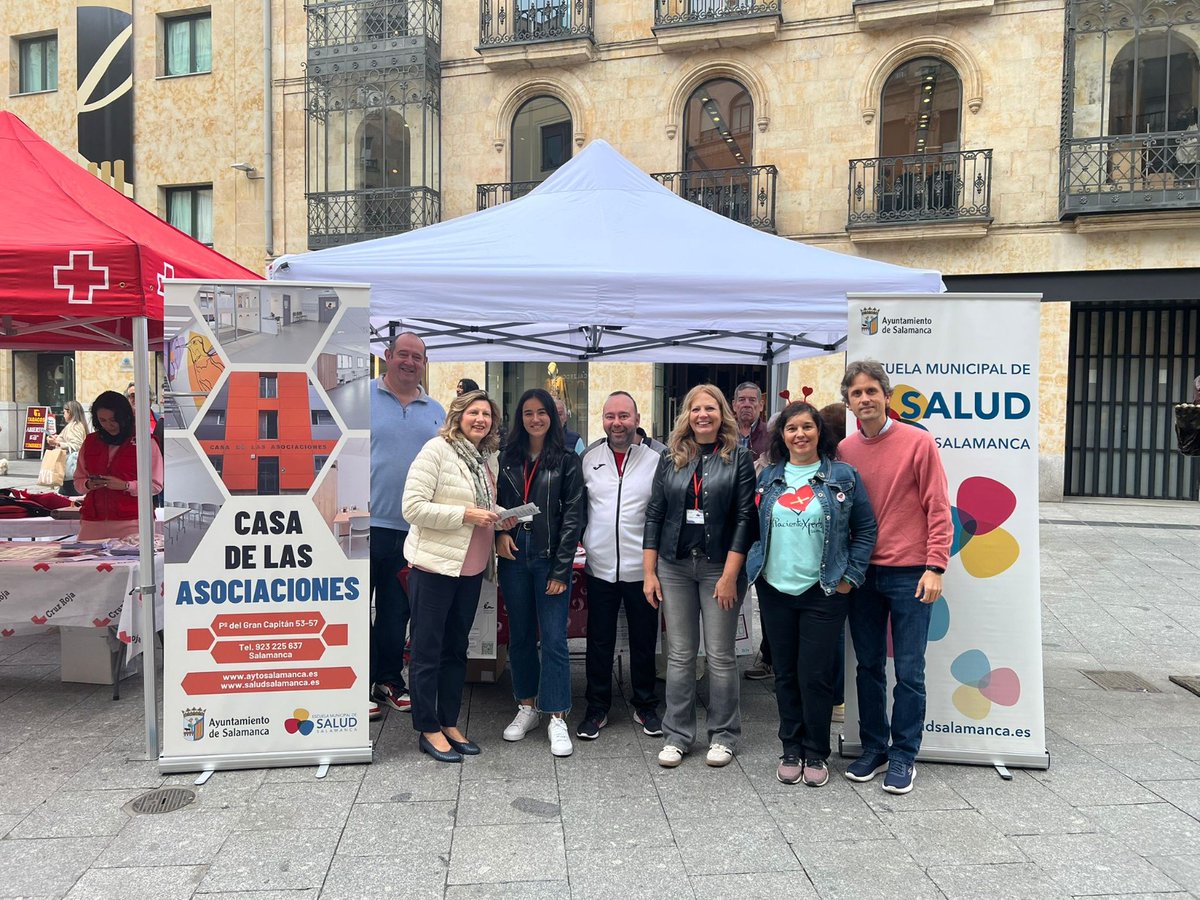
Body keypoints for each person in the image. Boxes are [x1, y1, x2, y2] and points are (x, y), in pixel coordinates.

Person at [746, 402, 876, 787]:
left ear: (819, 432)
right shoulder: (768, 476)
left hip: (824, 590)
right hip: (775, 589)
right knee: (785, 673)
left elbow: (865, 529)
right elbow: (751, 528)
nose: (799, 434)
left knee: (815, 675)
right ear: (782, 436)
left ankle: (816, 751)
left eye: (807, 427)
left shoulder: (843, 476)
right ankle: (791, 747)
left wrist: (849, 577)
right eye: (791, 428)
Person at [838, 360, 952, 795]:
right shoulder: (845, 450)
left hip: (911, 574)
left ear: (886, 396)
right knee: (868, 667)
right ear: (848, 403)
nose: (865, 398)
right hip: (863, 576)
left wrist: (936, 565)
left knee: (909, 671)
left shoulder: (918, 442)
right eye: (856, 393)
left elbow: (938, 507)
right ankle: (874, 747)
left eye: (872, 391)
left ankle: (904, 753)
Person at [643, 384, 756, 769]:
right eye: (695, 409)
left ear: (722, 413)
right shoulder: (671, 456)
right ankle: (677, 735)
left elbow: (745, 518)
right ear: (686, 415)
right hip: (674, 567)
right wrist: (649, 572)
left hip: (719, 567)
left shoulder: (739, 457)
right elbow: (655, 514)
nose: (702, 415)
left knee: (721, 656)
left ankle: (724, 735)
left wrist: (729, 576)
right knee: (679, 655)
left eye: (710, 408)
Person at [402, 390, 508, 763]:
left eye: (487, 414)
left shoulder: (486, 458)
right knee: (427, 650)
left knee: (456, 649)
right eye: (473, 412)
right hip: (435, 567)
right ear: (458, 416)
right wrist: (466, 515)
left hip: (472, 568)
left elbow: (482, 506)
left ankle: (449, 721)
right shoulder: (436, 451)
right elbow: (412, 508)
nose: (481, 419)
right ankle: (427, 728)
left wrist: (502, 516)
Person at [496, 388, 586, 757]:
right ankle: (527, 707)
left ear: (553, 417)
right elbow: (494, 504)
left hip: (550, 558)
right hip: (515, 557)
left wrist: (561, 570)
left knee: (553, 639)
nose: (535, 419)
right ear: (520, 418)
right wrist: (500, 533)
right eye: (528, 413)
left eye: (542, 412)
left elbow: (573, 517)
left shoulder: (566, 459)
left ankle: (557, 714)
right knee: (519, 636)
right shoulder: (506, 458)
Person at [576, 391, 662, 741]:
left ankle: (646, 705)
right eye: (610, 416)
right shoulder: (589, 458)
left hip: (644, 569)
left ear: (637, 419)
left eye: (624, 416)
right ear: (602, 420)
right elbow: (578, 507)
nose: (617, 423)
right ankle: (597, 707)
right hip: (599, 567)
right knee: (599, 640)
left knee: (644, 640)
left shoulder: (657, 459)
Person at [370, 332, 445, 721]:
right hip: (363, 525)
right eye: (403, 354)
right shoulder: (360, 399)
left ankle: (387, 681)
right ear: (387, 355)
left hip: (414, 528)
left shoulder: (437, 411)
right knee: (353, 609)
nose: (410, 362)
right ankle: (356, 682)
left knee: (396, 611)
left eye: (418, 357)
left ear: (425, 364)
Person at [73, 391, 164, 541]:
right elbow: (78, 480)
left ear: (125, 417)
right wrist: (88, 484)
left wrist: (126, 486)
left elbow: (156, 484)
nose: (109, 425)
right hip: (92, 520)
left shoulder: (145, 442)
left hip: (133, 520)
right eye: (102, 420)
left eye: (114, 420)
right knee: (85, 556)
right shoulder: (90, 442)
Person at [49, 400, 88, 497]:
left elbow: (77, 445)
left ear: (69, 412)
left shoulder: (74, 426)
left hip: (70, 469)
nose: (63, 415)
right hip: (72, 471)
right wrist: (58, 439)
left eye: (64, 412)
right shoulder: (77, 425)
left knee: (68, 496)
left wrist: (57, 442)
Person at [732, 382, 770, 458]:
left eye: (752, 400)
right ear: (734, 405)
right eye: (742, 400)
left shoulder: (770, 434)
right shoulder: (724, 433)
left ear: (761, 405)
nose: (747, 405)